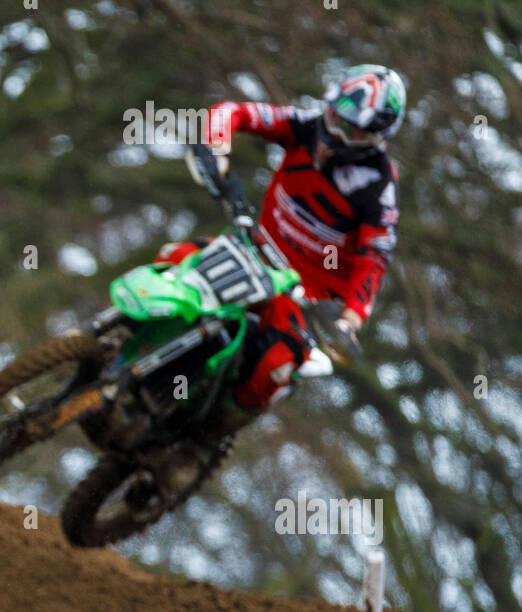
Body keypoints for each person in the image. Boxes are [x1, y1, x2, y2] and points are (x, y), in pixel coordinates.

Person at [164, 64, 405, 425]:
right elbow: (236, 112)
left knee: (274, 364)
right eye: (334, 116)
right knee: (175, 260)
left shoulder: (379, 186)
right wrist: (217, 147)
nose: (333, 131)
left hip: (302, 293)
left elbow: (374, 256)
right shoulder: (305, 124)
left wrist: (350, 318)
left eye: (349, 128)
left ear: (374, 136)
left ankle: (208, 435)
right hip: (253, 250)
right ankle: (113, 345)